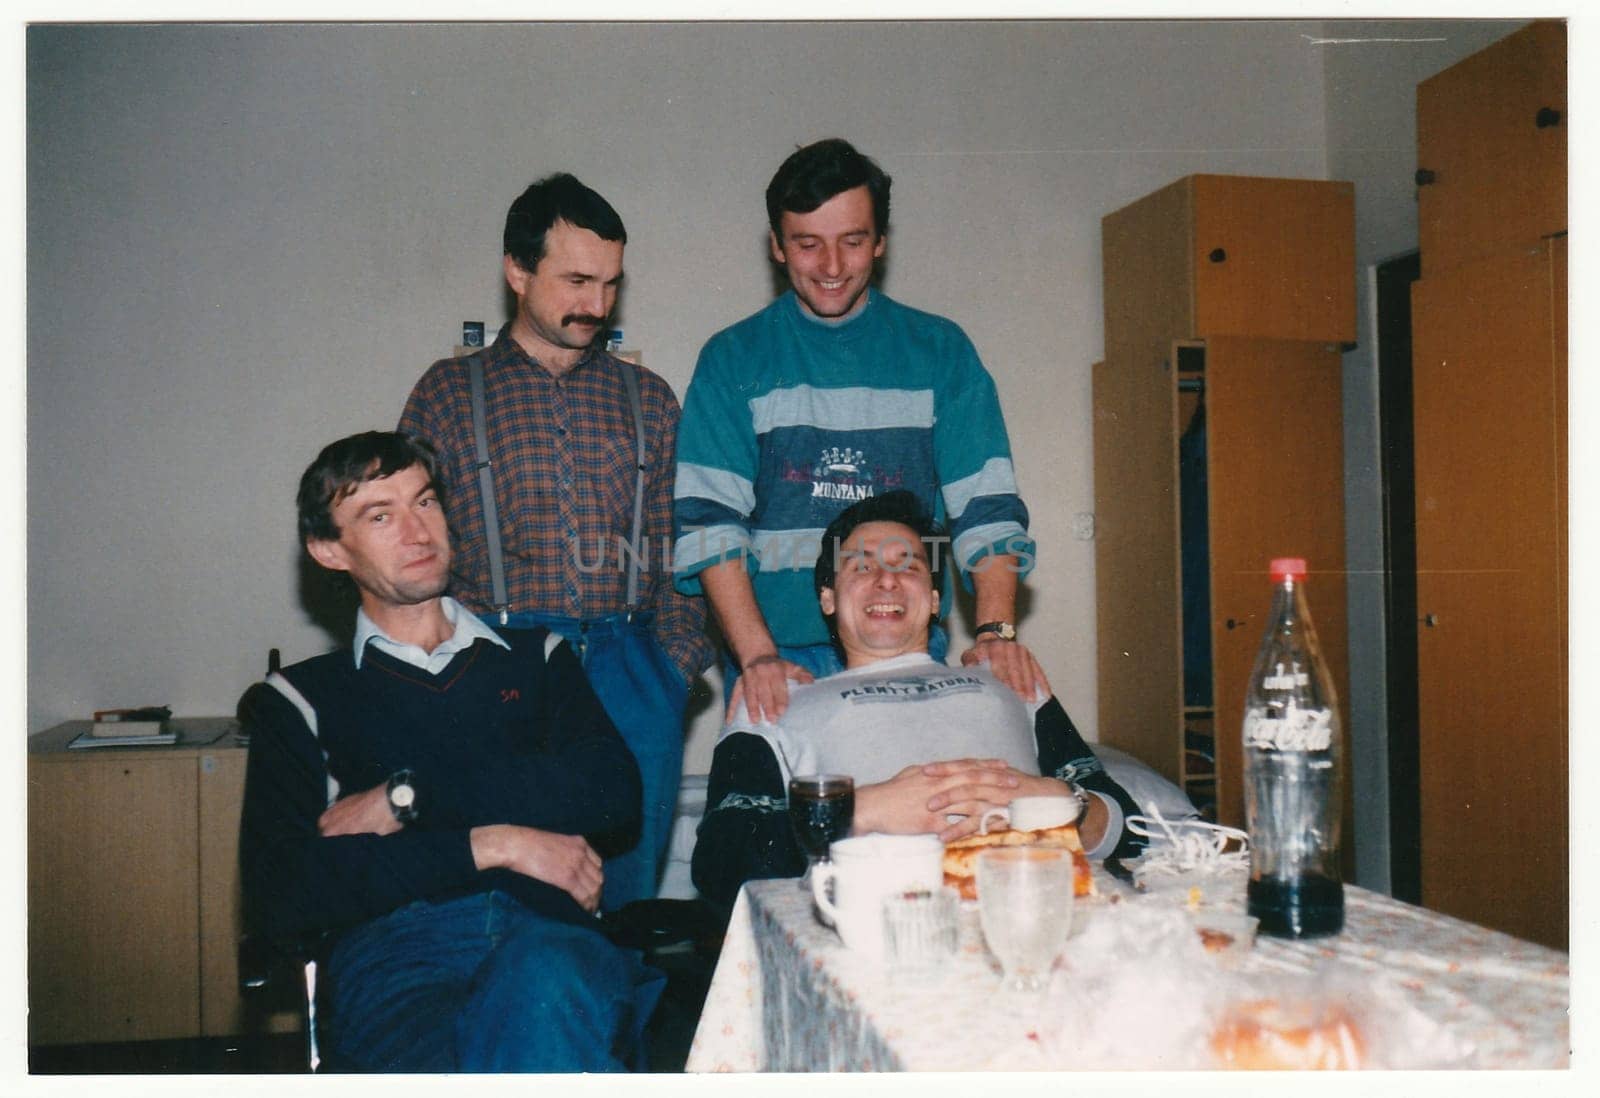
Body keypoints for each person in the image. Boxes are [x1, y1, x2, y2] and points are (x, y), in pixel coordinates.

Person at [240, 431, 663, 1072]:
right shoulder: (298, 700)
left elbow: (610, 792)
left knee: (544, 986)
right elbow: (284, 892)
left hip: (545, 932)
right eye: (380, 516)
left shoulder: (538, 659)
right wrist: (497, 843)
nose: (417, 531)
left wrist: (410, 796)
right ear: (330, 550)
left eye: (426, 502)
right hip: (396, 955)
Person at [400, 174, 712, 909]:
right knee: (509, 908)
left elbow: (689, 540)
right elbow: (407, 548)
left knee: (629, 912)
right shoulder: (447, 393)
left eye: (610, 284)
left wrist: (673, 667)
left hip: (634, 666)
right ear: (517, 270)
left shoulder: (653, 399)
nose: (597, 306)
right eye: (577, 280)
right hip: (499, 667)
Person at [672, 137, 1046, 730]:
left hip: (906, 649)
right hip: (776, 657)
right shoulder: (732, 359)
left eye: (852, 241)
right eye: (807, 243)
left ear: (880, 242)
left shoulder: (941, 352)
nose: (831, 267)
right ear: (776, 245)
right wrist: (757, 655)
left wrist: (995, 632)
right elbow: (711, 525)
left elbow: (987, 508)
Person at [690, 491, 1143, 908]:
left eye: (907, 566)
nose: (886, 581)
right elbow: (721, 864)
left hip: (1028, 902)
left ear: (932, 599)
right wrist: (860, 812)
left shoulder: (1004, 676)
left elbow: (1132, 832)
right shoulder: (776, 698)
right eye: (861, 567)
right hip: (883, 921)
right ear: (827, 598)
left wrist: (1054, 804)